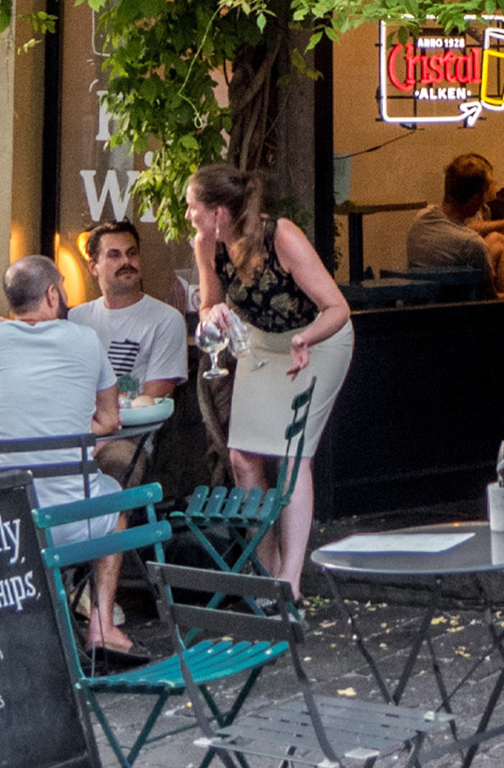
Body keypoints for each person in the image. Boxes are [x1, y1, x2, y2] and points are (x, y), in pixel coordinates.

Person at [0, 256, 143, 663]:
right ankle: (102, 626)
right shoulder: (84, 340)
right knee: (116, 502)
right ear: (51, 294)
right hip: (69, 521)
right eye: (61, 287)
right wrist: (72, 427)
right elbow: (110, 419)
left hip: (1, 523)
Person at [189, 164, 353, 594]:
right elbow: (206, 307)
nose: (188, 216)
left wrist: (305, 339)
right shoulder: (206, 244)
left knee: (292, 457)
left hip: (318, 341)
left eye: (193, 207)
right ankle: (265, 570)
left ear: (219, 212)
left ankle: (289, 580)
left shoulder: (280, 236)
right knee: (243, 456)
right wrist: (212, 315)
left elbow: (337, 308)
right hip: (261, 345)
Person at [70, 222, 190, 485]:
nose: (126, 261)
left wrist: (102, 435)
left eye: (131, 253)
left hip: (129, 439)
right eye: (114, 255)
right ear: (93, 267)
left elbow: (151, 402)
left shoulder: (165, 319)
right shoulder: (75, 319)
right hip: (74, 435)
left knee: (116, 465)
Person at [406, 155, 504, 299]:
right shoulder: (471, 243)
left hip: (421, 305)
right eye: (484, 194)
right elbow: (489, 299)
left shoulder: (420, 219)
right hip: (459, 308)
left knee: (498, 240)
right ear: (475, 198)